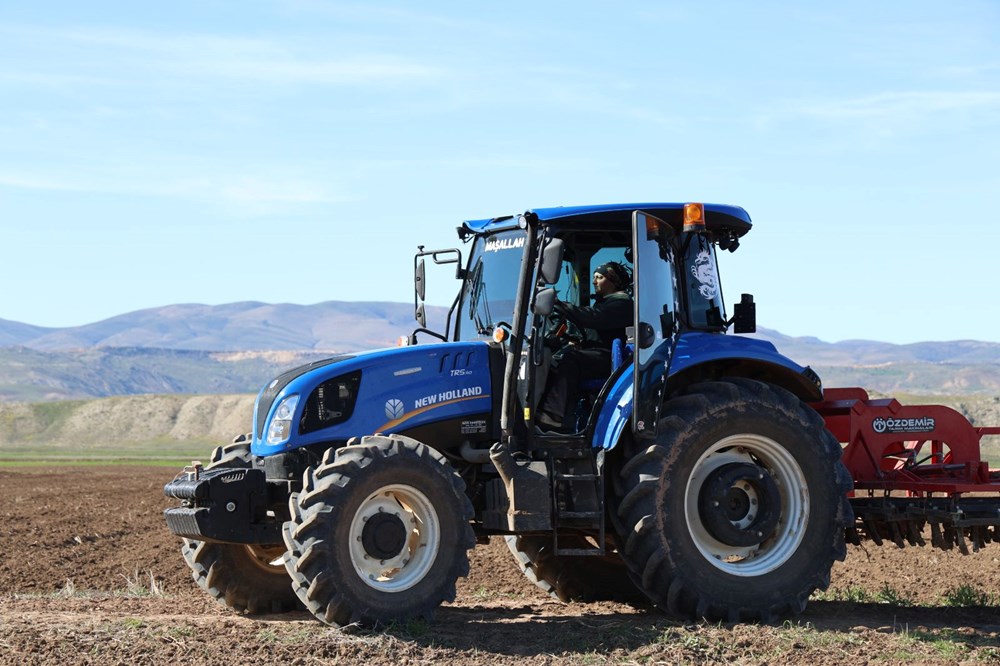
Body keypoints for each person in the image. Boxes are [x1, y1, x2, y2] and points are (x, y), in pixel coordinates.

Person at [536, 261, 633, 433]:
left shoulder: (622, 304)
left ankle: (553, 417)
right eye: (594, 278)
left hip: (607, 357)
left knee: (572, 360)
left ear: (614, 280)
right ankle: (543, 412)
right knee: (556, 361)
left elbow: (594, 318)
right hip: (597, 354)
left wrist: (560, 304)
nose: (595, 282)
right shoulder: (605, 303)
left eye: (600, 277)